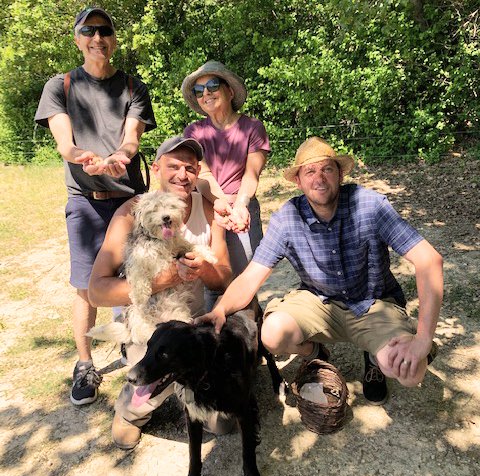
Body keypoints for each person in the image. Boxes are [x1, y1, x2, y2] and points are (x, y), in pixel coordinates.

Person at [197, 136, 443, 405]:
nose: (319, 178)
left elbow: (429, 261)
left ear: (339, 174)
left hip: (373, 304)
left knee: (410, 373)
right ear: (298, 181)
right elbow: (250, 277)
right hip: (319, 302)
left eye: (327, 169)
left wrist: (423, 338)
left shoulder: (370, 205)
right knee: (272, 332)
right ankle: (315, 352)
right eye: (310, 171)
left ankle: (374, 357)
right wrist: (220, 310)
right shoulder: (288, 217)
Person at [34, 7, 157, 406]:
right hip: (85, 203)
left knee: (137, 278)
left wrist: (119, 157)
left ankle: (134, 341)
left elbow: (132, 140)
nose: (97, 37)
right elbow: (64, 142)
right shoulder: (60, 86)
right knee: (87, 287)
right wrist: (82, 157)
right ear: (77, 39)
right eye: (88, 31)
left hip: (130, 198)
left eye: (104, 31)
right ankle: (85, 363)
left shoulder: (134, 86)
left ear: (114, 39)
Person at [88, 136, 232, 449]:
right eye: (174, 166)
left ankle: (187, 388)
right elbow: (96, 291)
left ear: (198, 174)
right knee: (159, 361)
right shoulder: (131, 212)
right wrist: (162, 280)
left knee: (223, 422)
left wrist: (201, 268)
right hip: (149, 326)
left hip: (193, 323)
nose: (183, 174)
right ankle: (132, 409)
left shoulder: (209, 211)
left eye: (190, 168)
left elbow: (223, 280)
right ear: (156, 169)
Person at [181, 60, 270, 308]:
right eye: (199, 91)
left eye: (212, 85)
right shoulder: (194, 132)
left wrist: (239, 206)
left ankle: (252, 342)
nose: (206, 93)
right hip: (208, 209)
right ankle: (216, 341)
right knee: (213, 282)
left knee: (245, 282)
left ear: (229, 90)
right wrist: (222, 205)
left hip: (243, 209)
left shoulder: (253, 127)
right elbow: (203, 174)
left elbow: (251, 174)